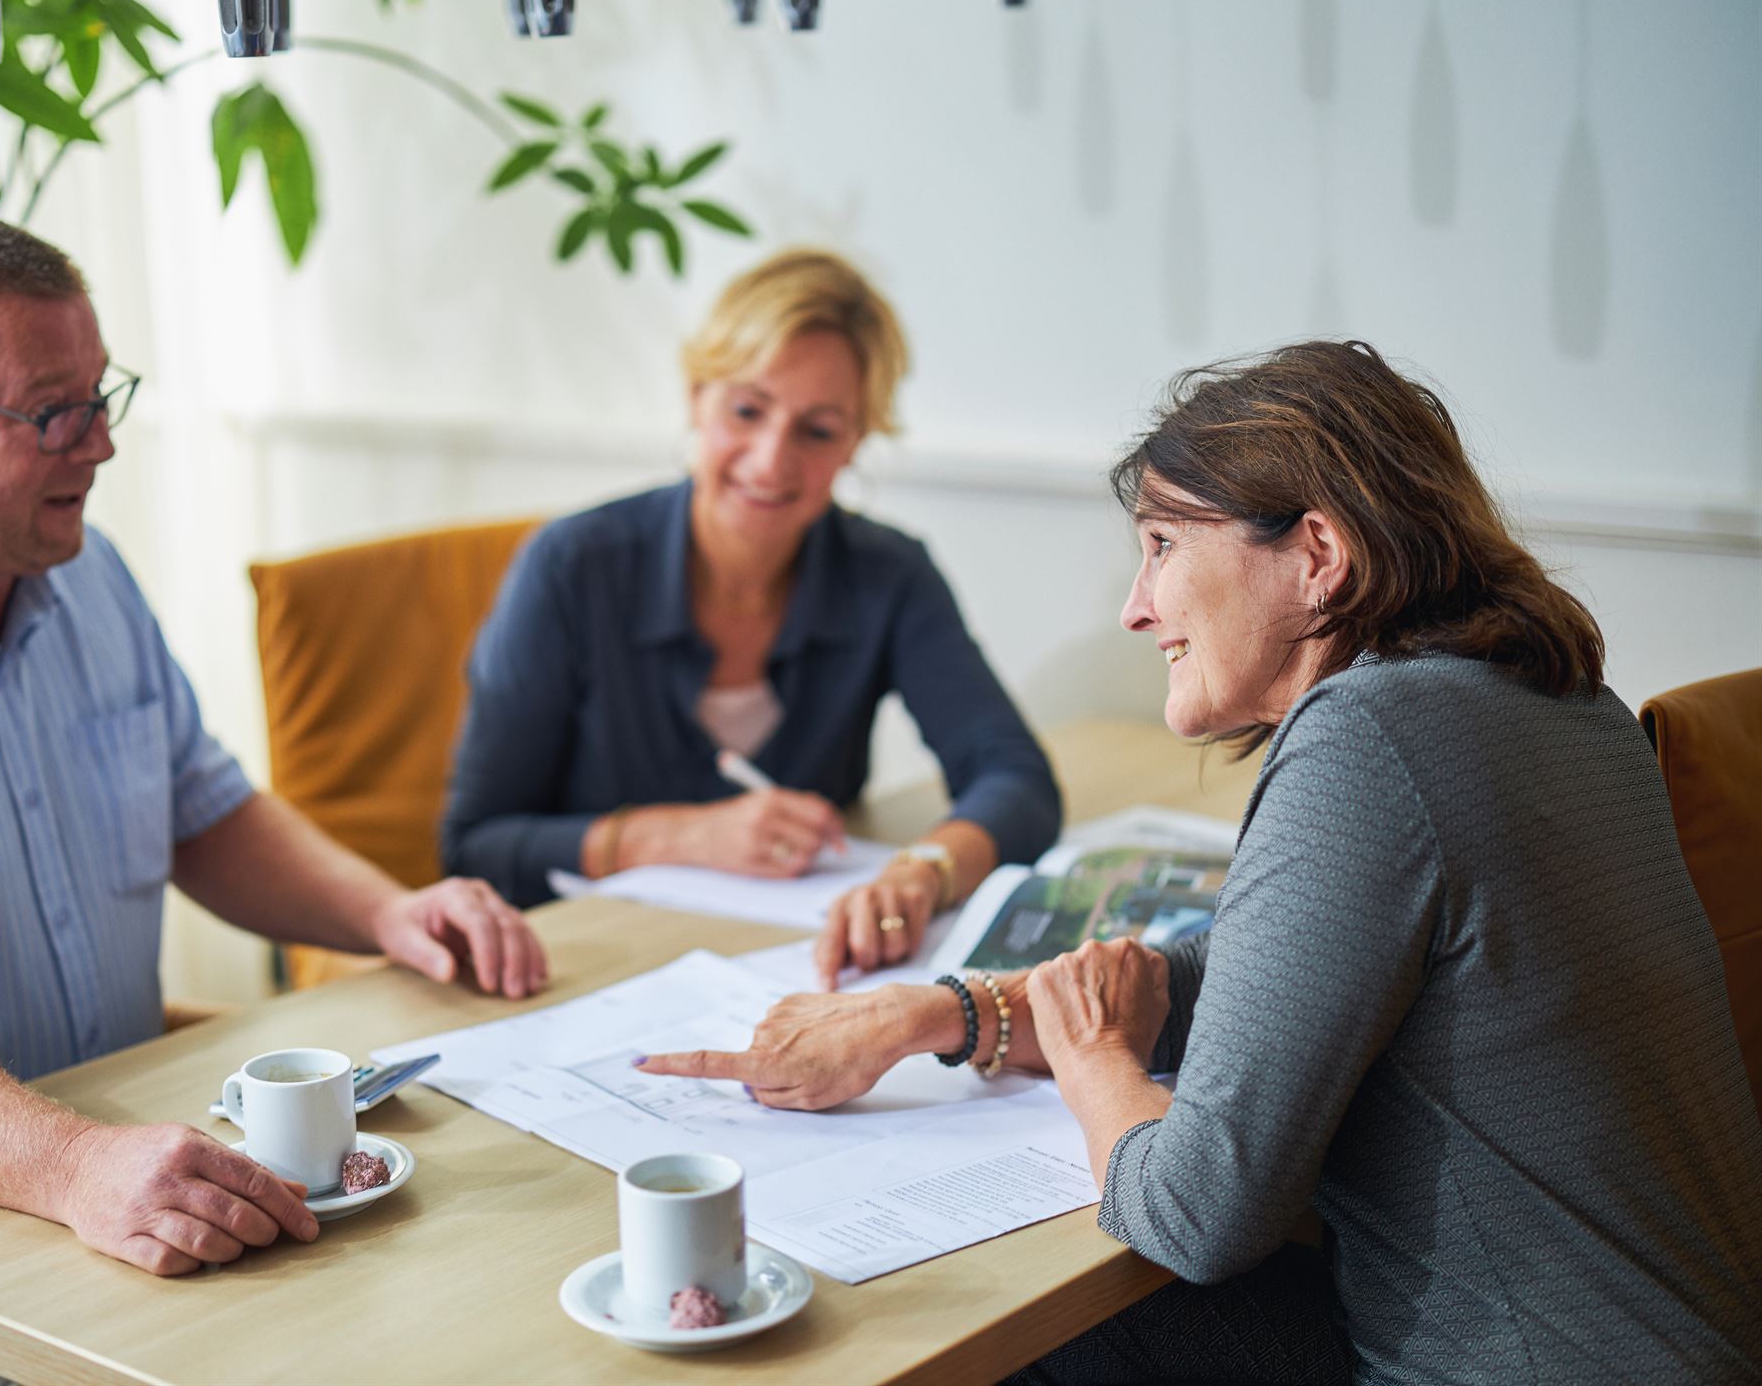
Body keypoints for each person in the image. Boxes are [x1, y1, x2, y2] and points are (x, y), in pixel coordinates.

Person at [638, 341, 1762, 1382]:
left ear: (1317, 554)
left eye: (1164, 548)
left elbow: (1195, 1216)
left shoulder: (1367, 740)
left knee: (972, 1328)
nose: (1136, 609)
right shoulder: (1558, 702)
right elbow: (1253, 980)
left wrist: (1096, 1073)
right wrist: (941, 1016)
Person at [0, 216, 549, 1285]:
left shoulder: (84, 574)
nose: (102, 443)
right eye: (53, 412)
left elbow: (201, 809)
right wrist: (74, 1166)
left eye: (102, 397)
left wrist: (386, 912)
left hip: (68, 1157)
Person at [441, 248, 1060, 986]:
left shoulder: (887, 575)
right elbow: (473, 844)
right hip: (578, 974)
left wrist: (923, 871)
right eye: (746, 410)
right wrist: (682, 836)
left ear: (857, 442)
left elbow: (1016, 778)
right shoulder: (572, 568)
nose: (771, 461)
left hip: (795, 975)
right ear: (696, 398)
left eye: (818, 430)